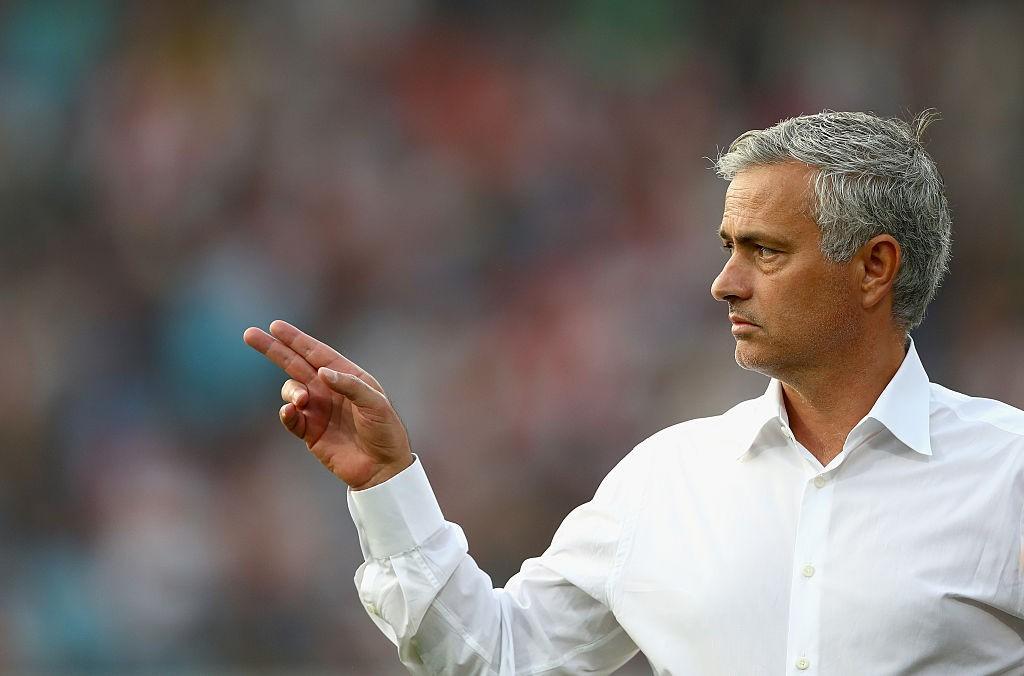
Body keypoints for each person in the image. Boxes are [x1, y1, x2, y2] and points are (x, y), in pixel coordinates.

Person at [243, 111, 1024, 674]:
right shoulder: (667, 479)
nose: (725, 283)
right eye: (729, 248)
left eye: (766, 252)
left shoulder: (1007, 474)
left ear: (875, 267)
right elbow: (501, 656)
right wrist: (387, 485)